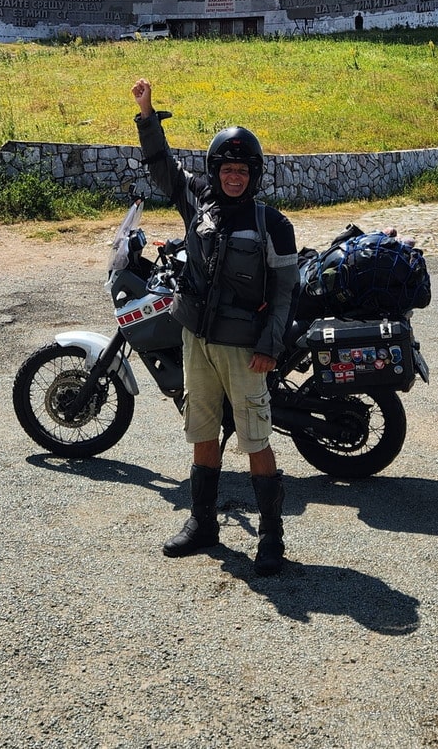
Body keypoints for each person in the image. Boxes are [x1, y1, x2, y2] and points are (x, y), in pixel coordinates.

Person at [131, 77, 298, 576]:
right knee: (203, 430)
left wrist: (270, 346)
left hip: (245, 348)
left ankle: (271, 537)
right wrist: (146, 115)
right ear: (215, 170)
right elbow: (162, 169)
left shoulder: (274, 224)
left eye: (241, 170)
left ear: (254, 173)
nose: (233, 178)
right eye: (226, 168)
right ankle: (203, 524)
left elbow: (286, 291)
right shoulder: (197, 201)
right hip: (196, 339)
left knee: (255, 440)